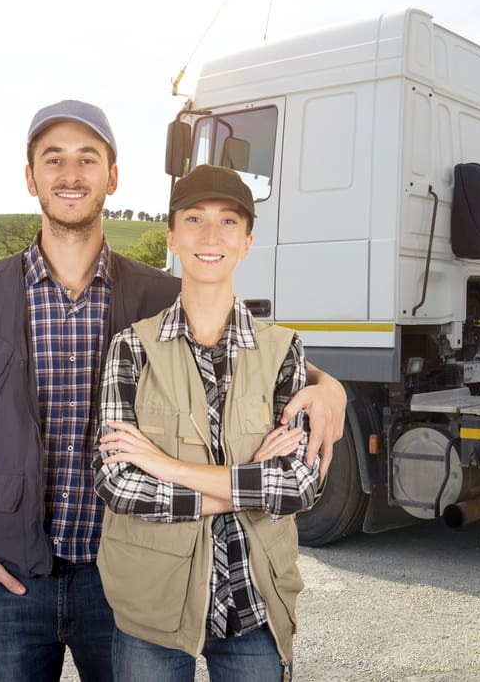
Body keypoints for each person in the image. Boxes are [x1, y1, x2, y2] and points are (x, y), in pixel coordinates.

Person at [0, 100, 346, 681]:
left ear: (111, 178)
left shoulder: (162, 294)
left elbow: (239, 352)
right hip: (7, 572)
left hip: (121, 572)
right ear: (31, 177)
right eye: (54, 159)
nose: (71, 174)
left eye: (88, 159)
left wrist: (328, 386)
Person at [95, 164, 316, 680]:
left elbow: (300, 483)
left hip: (254, 601)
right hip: (152, 604)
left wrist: (164, 466)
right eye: (194, 219)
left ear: (247, 242)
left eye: (228, 223)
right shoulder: (132, 348)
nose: (210, 236)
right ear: (171, 236)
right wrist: (246, 488)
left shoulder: (284, 350)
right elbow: (116, 480)